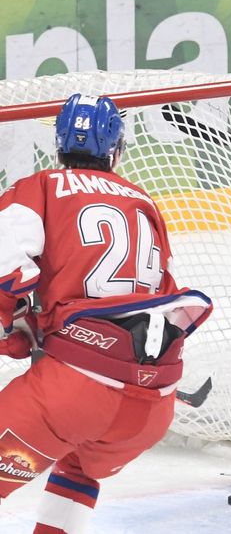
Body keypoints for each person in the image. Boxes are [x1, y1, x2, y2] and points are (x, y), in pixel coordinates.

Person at [0, 93, 212, 533]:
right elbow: (164, 292)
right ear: (116, 149)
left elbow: (5, 272)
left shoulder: (38, 187)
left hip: (72, 394)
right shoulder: (144, 201)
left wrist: (13, 328)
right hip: (151, 407)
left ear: (58, 144)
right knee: (79, 468)